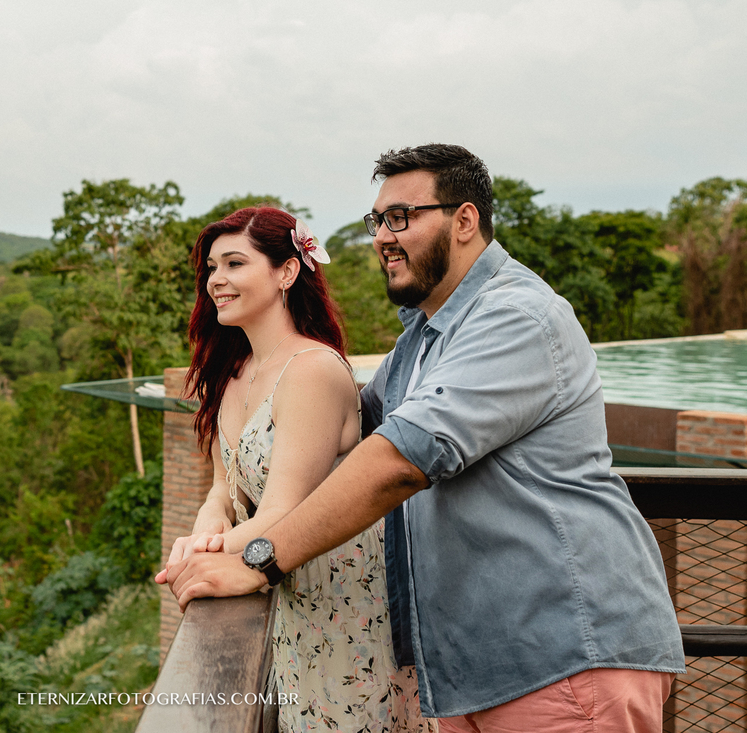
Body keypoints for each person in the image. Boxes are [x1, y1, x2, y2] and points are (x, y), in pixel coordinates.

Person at [165, 145, 685, 732]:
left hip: (562, 655)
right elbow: (336, 435)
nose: (383, 236)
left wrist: (260, 560)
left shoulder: (515, 316)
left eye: (402, 217)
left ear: (465, 220)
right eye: (377, 220)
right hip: (470, 668)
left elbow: (397, 461)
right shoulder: (424, 338)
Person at [155, 206, 435, 732]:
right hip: (287, 588)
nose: (217, 280)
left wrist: (200, 556)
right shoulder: (230, 372)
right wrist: (205, 528)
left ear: (286, 272)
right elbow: (223, 486)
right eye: (212, 268)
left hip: (342, 594)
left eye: (235, 264)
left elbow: (285, 511)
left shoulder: (311, 371)